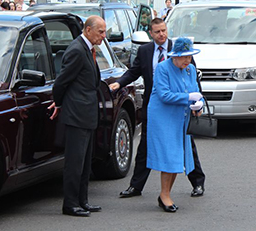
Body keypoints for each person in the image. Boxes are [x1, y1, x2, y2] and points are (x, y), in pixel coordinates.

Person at [109, 18, 205, 199]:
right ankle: (136, 186)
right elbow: (133, 71)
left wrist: (197, 99)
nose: (162, 34)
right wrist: (119, 83)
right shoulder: (145, 51)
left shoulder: (181, 49)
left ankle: (197, 182)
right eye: (157, 32)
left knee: (186, 145)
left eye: (164, 30)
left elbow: (192, 80)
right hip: (155, 107)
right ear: (151, 34)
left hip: (179, 109)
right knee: (145, 146)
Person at [48, 15, 106, 217]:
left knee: (85, 161)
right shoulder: (76, 50)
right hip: (77, 115)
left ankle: (83, 200)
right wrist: (60, 102)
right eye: (100, 31)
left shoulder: (88, 50)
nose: (103, 36)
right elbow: (61, 82)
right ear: (88, 30)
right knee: (74, 162)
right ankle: (70, 203)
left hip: (87, 114)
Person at [147, 37, 203, 212]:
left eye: (189, 56)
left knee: (178, 157)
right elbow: (164, 95)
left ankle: (166, 194)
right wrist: (188, 98)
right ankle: (164, 195)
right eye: (184, 57)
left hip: (181, 116)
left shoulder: (190, 69)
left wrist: (198, 104)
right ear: (175, 56)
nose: (188, 60)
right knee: (169, 157)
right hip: (163, 118)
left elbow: (195, 90)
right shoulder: (163, 68)